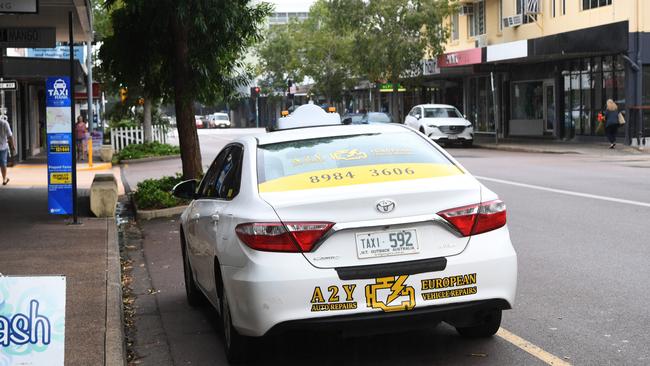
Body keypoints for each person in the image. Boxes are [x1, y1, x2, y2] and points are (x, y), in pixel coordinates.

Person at [0, 114, 16, 186]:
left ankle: (4, 179)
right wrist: (12, 145)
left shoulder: (4, 123)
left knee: (3, 163)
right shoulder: (4, 123)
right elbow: (10, 136)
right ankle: (4, 179)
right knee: (3, 163)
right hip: (2, 147)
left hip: (3, 147)